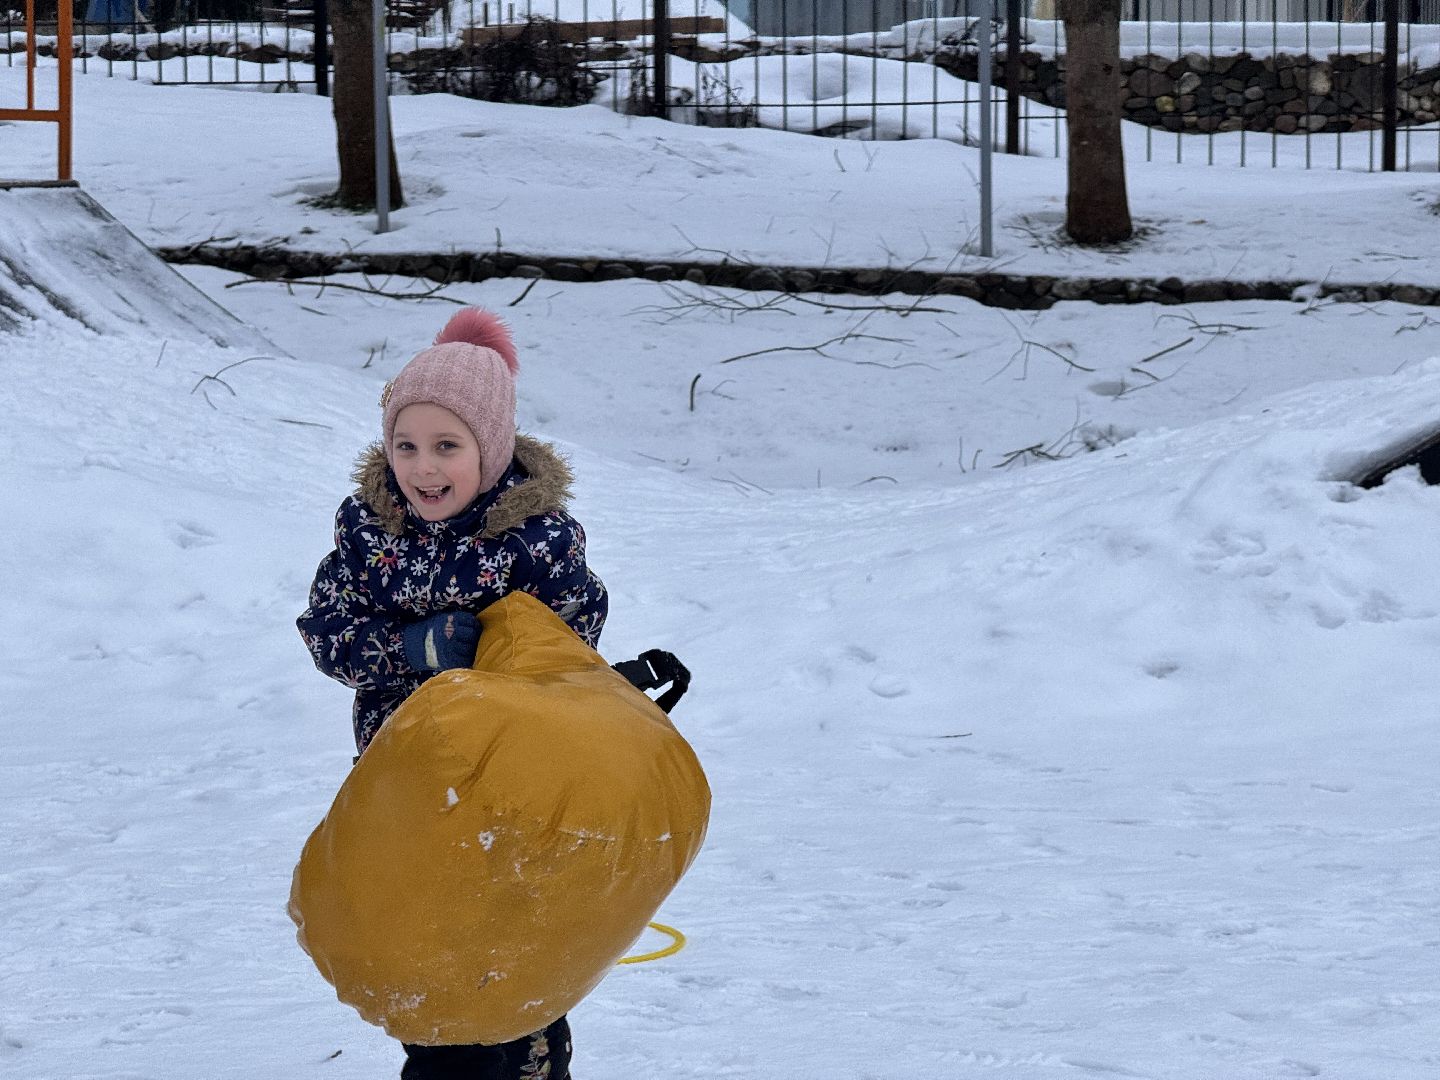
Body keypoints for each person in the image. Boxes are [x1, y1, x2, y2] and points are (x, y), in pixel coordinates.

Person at [296, 307, 607, 1080]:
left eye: (447, 446)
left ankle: (531, 1058)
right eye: (405, 445)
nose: (423, 467)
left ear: (491, 450)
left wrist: (503, 662)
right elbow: (327, 631)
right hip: (403, 781)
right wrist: (406, 649)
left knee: (511, 956)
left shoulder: (536, 541)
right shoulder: (368, 532)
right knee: (428, 954)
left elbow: (573, 637)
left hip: (512, 788)